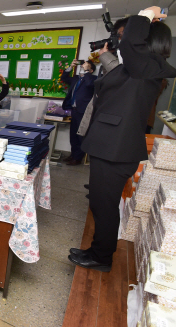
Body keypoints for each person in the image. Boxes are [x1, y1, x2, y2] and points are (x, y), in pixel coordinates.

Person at [69, 7, 176, 272]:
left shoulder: (149, 68)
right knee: (101, 203)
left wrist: (145, 15)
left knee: (104, 206)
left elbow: (130, 43)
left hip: (116, 150)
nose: (123, 40)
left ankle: (101, 258)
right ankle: (98, 251)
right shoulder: (135, 70)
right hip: (109, 146)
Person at [60, 59, 97, 165]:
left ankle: (77, 158)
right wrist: (71, 67)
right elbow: (64, 78)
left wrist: (86, 72)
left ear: (91, 70)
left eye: (86, 66)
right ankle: (73, 155)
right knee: (73, 135)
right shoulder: (76, 78)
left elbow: (90, 85)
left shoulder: (93, 79)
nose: (83, 66)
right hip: (74, 110)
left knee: (80, 135)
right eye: (83, 65)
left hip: (84, 112)